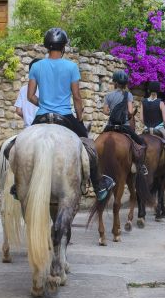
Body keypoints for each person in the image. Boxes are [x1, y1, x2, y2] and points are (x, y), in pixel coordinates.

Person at [27, 28, 115, 200]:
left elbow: (30, 96)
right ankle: (98, 185)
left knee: (21, 144)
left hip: (42, 116)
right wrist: (79, 118)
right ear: (64, 47)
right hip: (65, 117)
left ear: (46, 46)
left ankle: (18, 184)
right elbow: (76, 97)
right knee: (90, 146)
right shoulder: (71, 67)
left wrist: (43, 103)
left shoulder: (36, 66)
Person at [102, 70, 148, 175]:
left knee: (99, 141)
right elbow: (130, 112)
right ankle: (140, 165)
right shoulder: (129, 95)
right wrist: (129, 114)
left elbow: (105, 111)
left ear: (115, 83)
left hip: (110, 126)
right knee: (140, 143)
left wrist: (112, 113)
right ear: (125, 84)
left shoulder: (108, 96)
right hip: (124, 126)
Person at [140, 81, 165, 170]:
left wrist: (147, 125)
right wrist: (159, 125)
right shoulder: (160, 103)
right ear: (158, 90)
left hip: (146, 129)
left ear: (149, 90)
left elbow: (141, 119)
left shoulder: (143, 102)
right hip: (159, 129)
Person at [14, 58, 41, 128]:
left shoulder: (23, 89)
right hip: (42, 127)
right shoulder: (45, 88)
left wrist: (26, 117)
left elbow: (18, 111)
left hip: (28, 128)